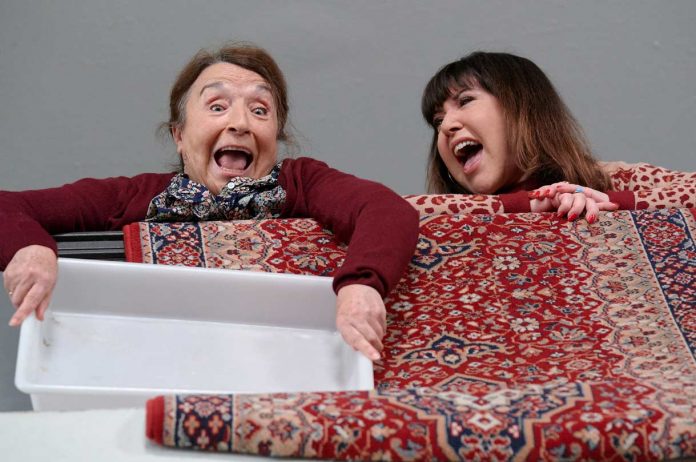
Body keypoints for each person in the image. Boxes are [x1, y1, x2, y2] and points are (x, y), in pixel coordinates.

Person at [0, 43, 420, 361]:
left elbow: (385, 211)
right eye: (217, 106)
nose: (240, 123)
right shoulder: (136, 196)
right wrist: (30, 249)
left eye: (260, 110)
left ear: (276, 137)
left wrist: (363, 285)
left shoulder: (301, 182)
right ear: (180, 136)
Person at [420, 51, 696, 220]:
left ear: (523, 108)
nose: (446, 127)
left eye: (465, 100)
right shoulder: (445, 214)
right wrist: (528, 205)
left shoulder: (610, 179)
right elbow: (399, 210)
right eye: (438, 121)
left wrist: (607, 202)